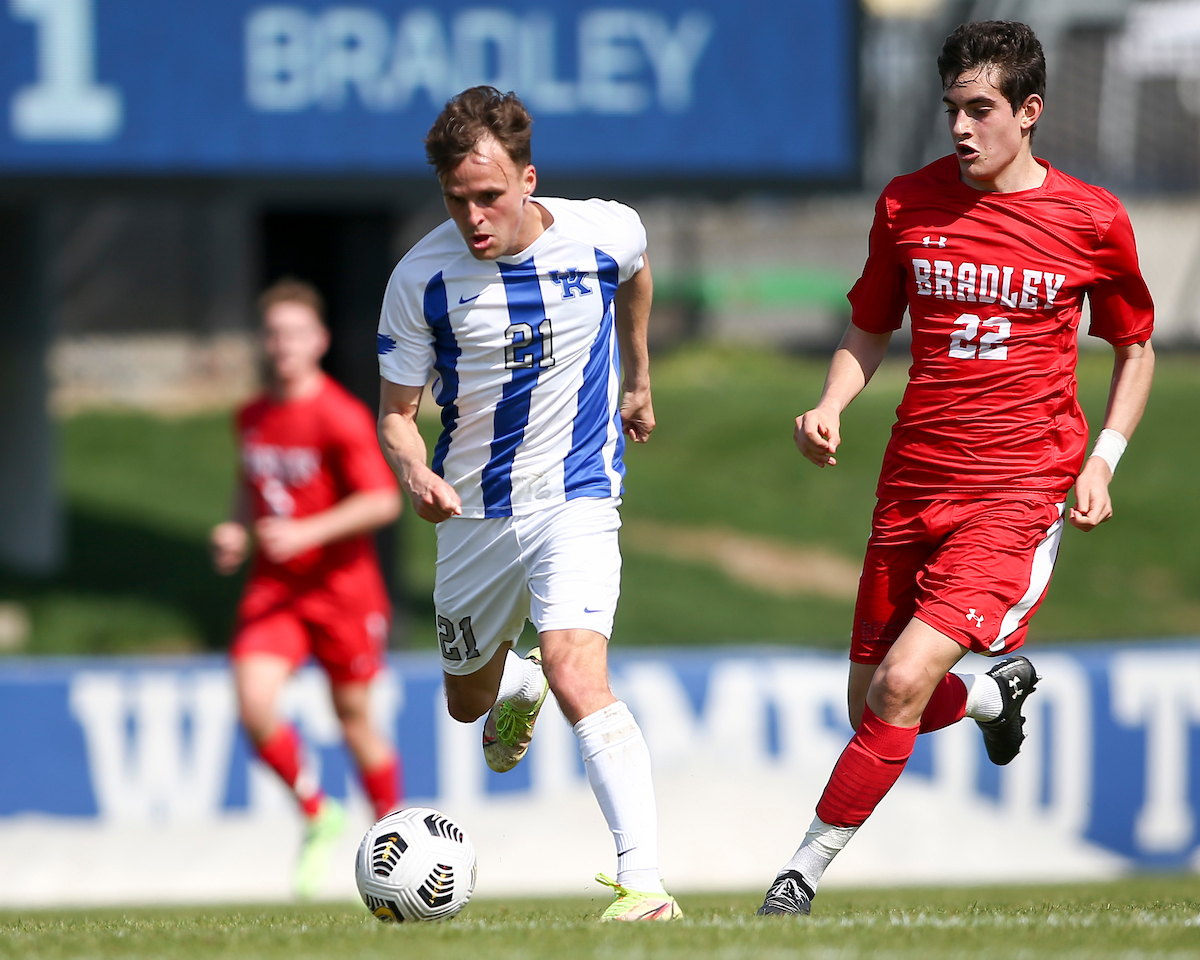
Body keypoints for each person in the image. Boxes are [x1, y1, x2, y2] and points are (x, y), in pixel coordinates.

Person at [758, 20, 1155, 915]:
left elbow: (1135, 348)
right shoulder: (906, 204)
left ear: (1030, 112)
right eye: (952, 111)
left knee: (902, 684)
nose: (963, 129)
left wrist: (1104, 462)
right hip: (911, 482)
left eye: (981, 110)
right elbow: (870, 323)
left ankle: (798, 876)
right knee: (872, 700)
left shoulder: (1092, 219)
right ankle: (986, 698)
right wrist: (829, 404)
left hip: (1016, 493)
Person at [376, 86, 680, 922]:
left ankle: (644, 884)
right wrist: (416, 475)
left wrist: (640, 376)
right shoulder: (420, 278)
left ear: (528, 179)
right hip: (473, 513)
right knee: (465, 700)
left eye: (489, 197)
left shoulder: (601, 232)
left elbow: (636, 275)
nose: (474, 218)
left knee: (582, 673)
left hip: (577, 494)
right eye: (456, 200)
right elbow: (396, 416)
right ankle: (513, 684)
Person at [211, 279, 404, 898]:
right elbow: (252, 488)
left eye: (295, 332)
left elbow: (381, 500)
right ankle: (318, 812)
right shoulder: (253, 415)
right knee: (253, 701)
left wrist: (307, 532)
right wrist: (236, 532)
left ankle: (395, 843)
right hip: (276, 591)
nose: (283, 345)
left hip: (342, 590)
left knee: (353, 722)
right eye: (273, 333)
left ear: (318, 340)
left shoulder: (339, 416)